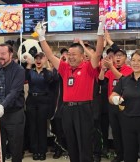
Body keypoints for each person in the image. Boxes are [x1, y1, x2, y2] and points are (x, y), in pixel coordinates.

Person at [35, 16, 105, 162]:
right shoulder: (65, 68)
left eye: (74, 55)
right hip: (67, 110)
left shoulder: (88, 67)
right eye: (69, 55)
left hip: (84, 110)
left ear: (82, 56)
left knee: (85, 144)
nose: (70, 57)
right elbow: (49, 55)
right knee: (71, 143)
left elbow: (98, 53)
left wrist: (100, 32)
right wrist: (41, 37)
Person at [109, 50, 140, 162]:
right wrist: (114, 99)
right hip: (127, 122)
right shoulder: (124, 80)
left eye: (139, 60)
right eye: (133, 60)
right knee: (129, 155)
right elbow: (112, 96)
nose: (135, 63)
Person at [98, 31, 133, 162]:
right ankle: (119, 155)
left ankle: (128, 155)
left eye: (120, 56)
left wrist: (111, 67)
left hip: (124, 106)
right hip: (111, 106)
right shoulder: (110, 71)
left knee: (126, 131)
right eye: (116, 56)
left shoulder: (129, 70)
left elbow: (123, 80)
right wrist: (102, 69)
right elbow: (101, 81)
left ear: (125, 59)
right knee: (116, 132)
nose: (118, 58)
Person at [25, 52, 53, 160]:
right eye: (36, 58)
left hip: (43, 100)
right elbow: (24, 78)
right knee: (32, 127)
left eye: (41, 58)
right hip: (32, 99)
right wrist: (28, 64)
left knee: (41, 126)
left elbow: (48, 80)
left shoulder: (47, 72)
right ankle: (34, 151)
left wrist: (45, 66)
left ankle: (42, 151)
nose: (38, 60)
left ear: (44, 60)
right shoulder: (30, 71)